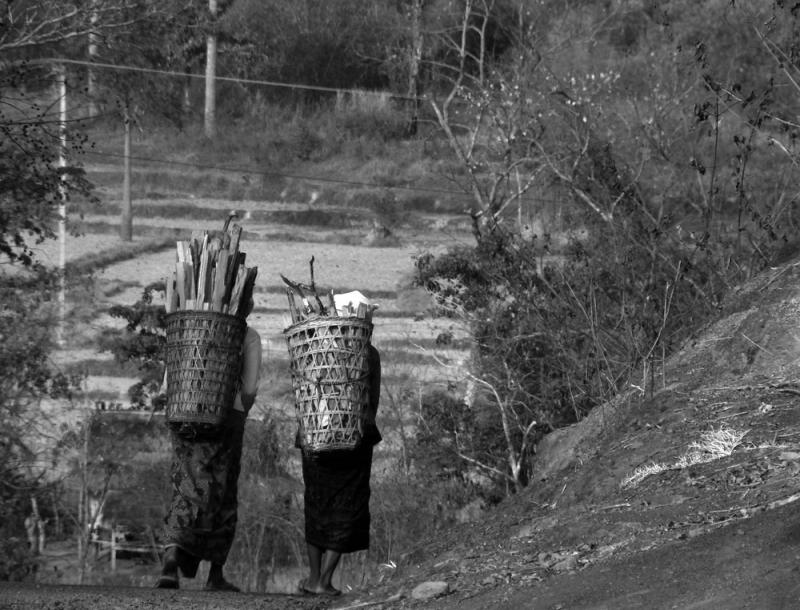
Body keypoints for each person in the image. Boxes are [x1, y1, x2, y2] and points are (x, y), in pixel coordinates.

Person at [156, 302, 262, 592]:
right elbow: (250, 389)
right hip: (228, 418)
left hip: (184, 415)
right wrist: (238, 411)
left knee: (184, 487)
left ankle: (171, 562)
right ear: (246, 305)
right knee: (222, 491)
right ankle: (215, 575)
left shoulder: (184, 327)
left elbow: (168, 383)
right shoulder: (248, 335)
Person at [297, 336, 381, 598]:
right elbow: (373, 398)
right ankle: (324, 579)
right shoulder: (368, 352)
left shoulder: (311, 350)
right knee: (347, 504)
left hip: (314, 435)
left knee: (317, 503)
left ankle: (313, 578)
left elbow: (301, 393)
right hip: (354, 436)